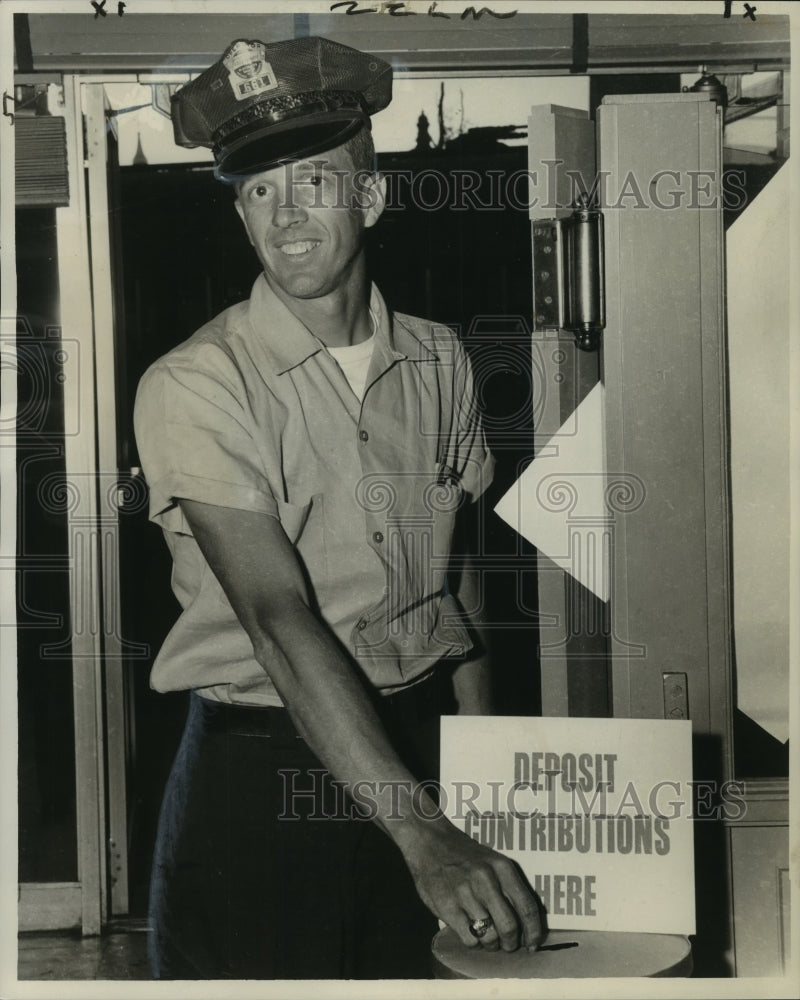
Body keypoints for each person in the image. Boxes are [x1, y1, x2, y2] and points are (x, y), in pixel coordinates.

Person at [134, 34, 542, 980]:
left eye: (313, 181)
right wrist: (426, 836)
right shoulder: (196, 383)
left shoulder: (440, 360)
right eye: (259, 193)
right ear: (239, 216)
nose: (285, 219)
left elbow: (459, 583)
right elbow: (277, 620)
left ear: (371, 195)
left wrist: (487, 777)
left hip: (425, 740)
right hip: (268, 772)